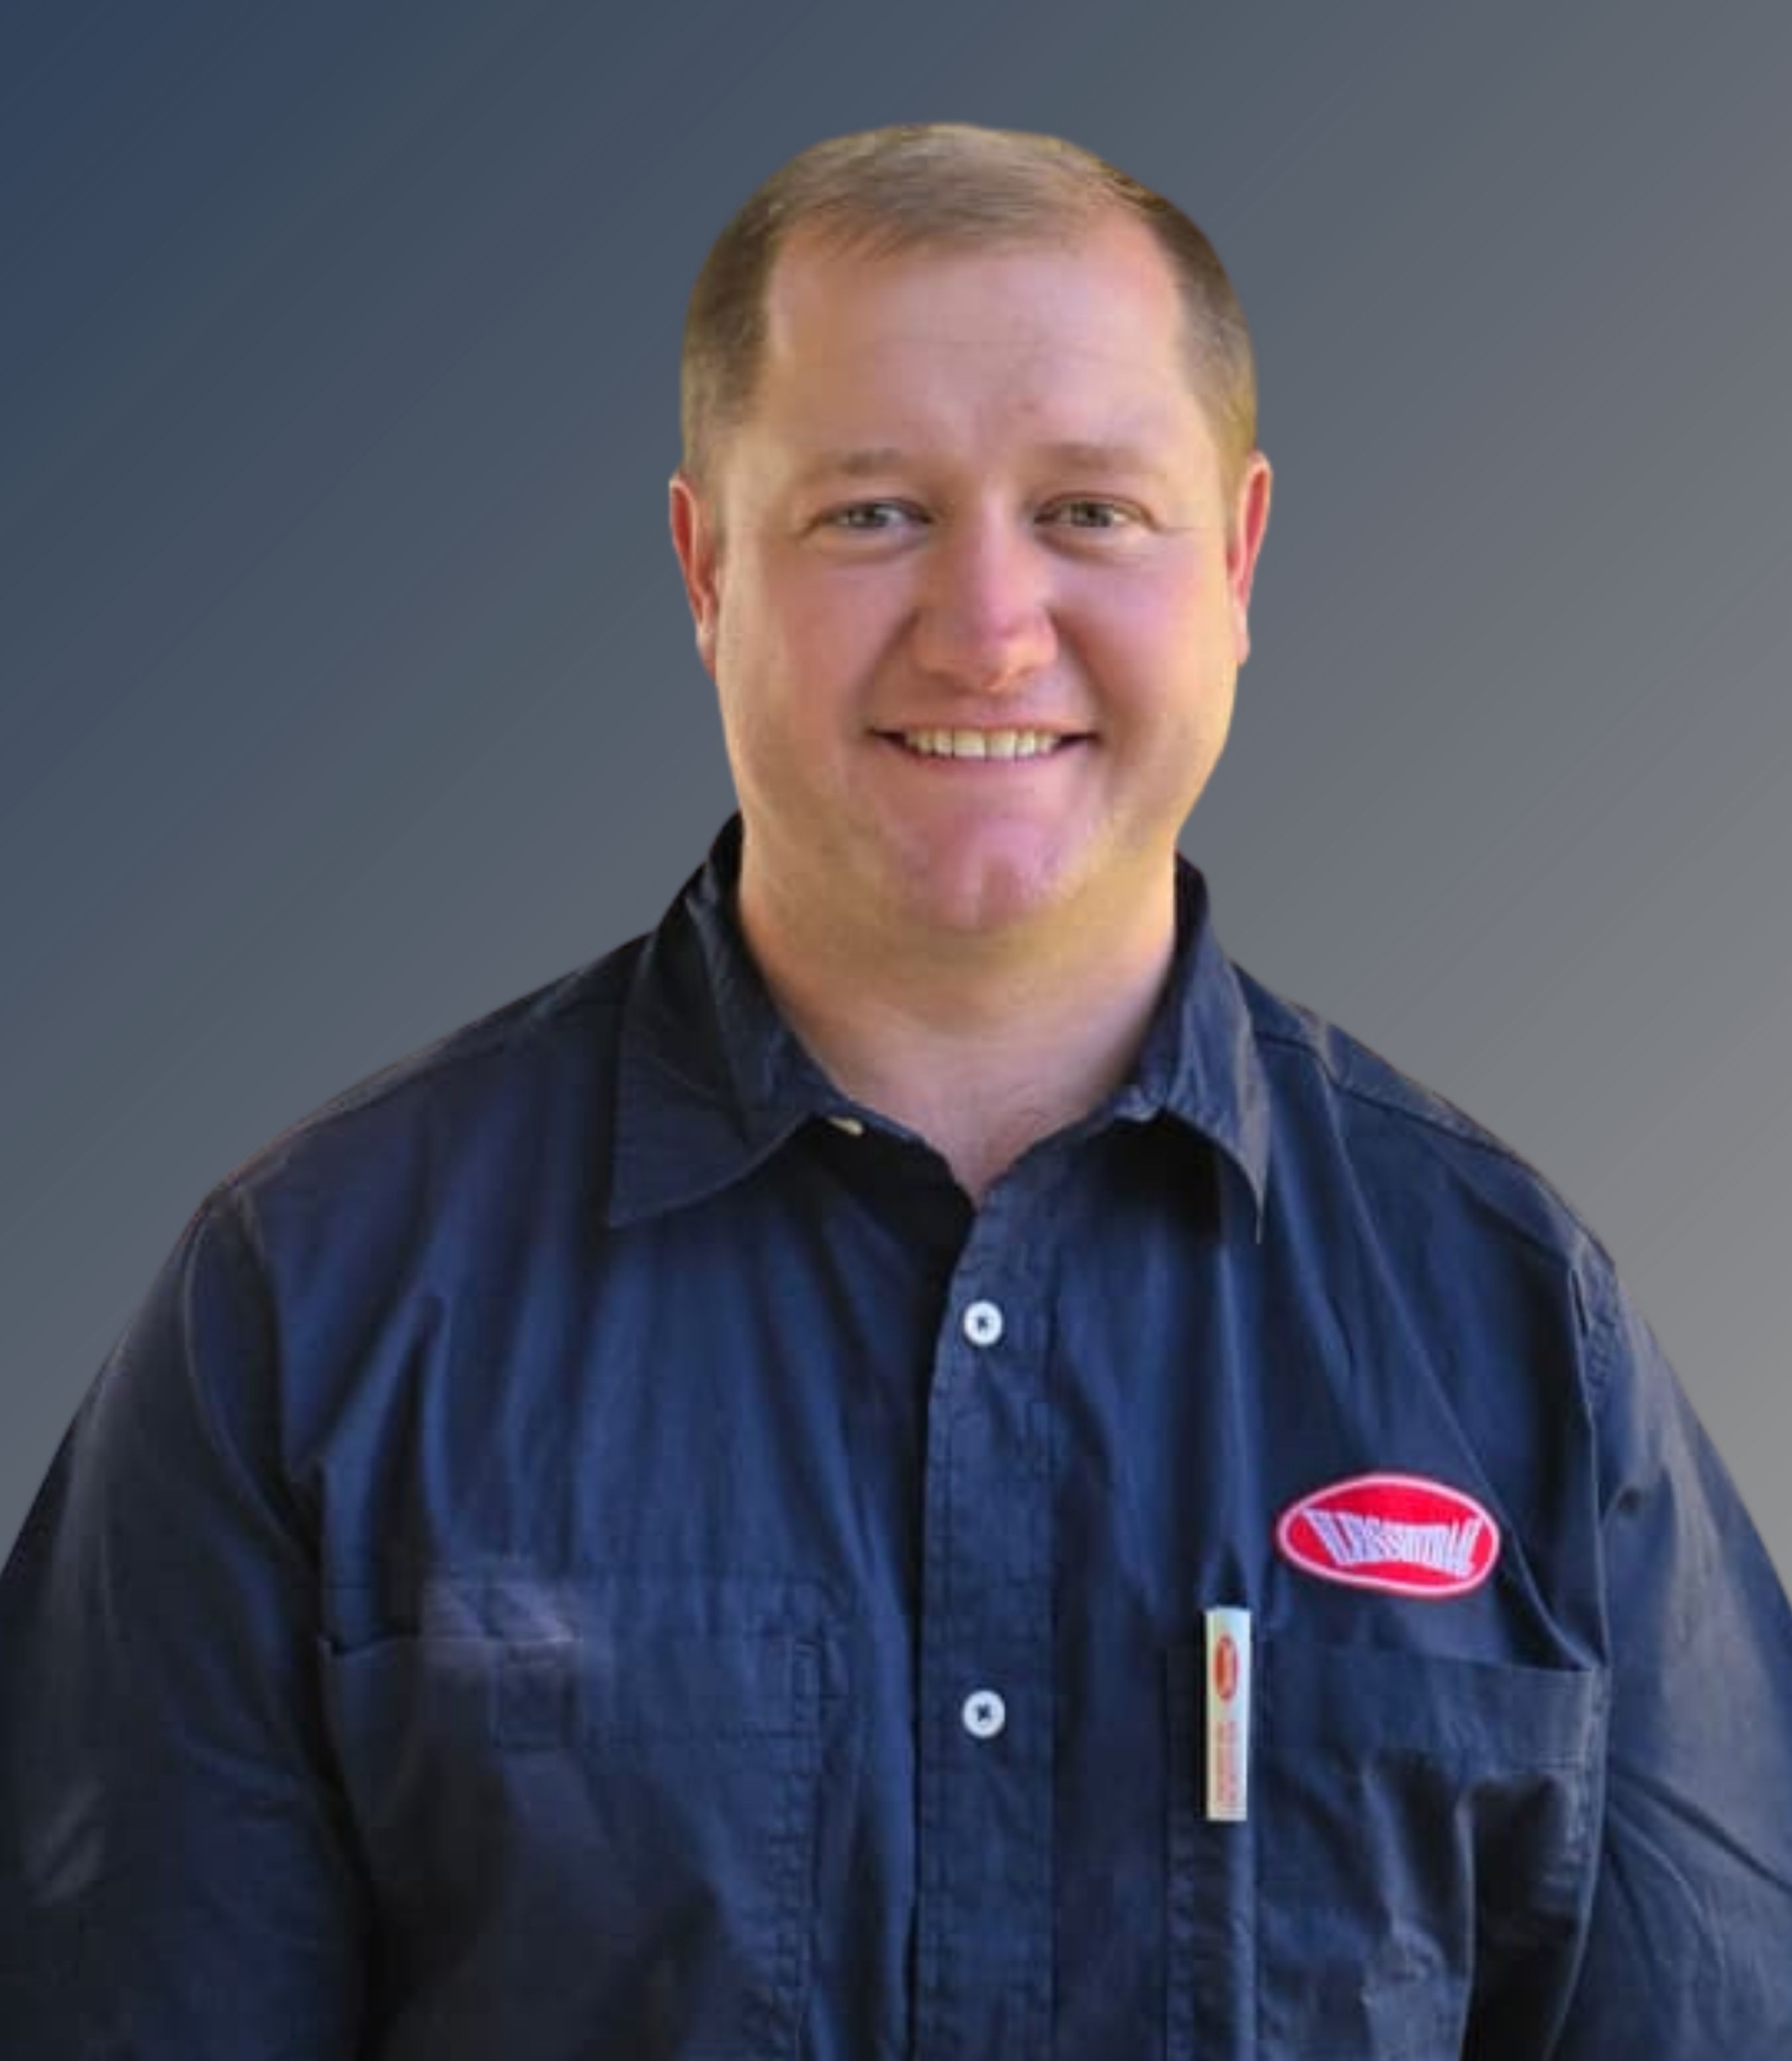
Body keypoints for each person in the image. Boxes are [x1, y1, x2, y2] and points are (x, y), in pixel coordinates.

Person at [3, 121, 1790, 2060]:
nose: (988, 627)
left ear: (1238, 559)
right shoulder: (307, 1307)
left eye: (1089, 509)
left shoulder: (1517, 1325)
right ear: (703, 564)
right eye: (871, 513)